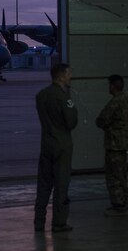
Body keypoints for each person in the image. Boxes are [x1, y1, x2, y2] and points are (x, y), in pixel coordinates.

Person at [34, 63, 78, 233]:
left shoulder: (41, 95)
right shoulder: (63, 97)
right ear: (61, 76)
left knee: (44, 185)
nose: (70, 77)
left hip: (46, 143)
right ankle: (59, 222)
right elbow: (71, 122)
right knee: (61, 185)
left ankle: (39, 222)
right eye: (69, 74)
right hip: (62, 145)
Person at [95, 74, 128, 217]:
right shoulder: (126, 100)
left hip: (113, 144)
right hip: (122, 143)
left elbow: (101, 120)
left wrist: (106, 126)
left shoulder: (114, 102)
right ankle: (122, 202)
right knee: (121, 174)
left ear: (112, 86)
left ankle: (118, 206)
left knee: (113, 176)